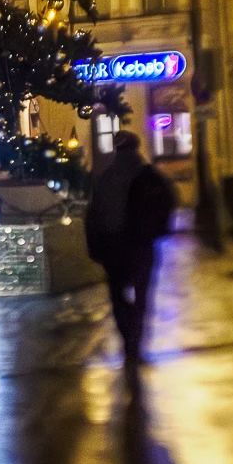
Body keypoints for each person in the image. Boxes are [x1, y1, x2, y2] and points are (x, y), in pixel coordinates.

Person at [84, 130, 176, 385]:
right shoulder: (149, 175)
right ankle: (136, 343)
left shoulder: (105, 177)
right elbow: (169, 201)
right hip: (141, 246)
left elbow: (92, 215)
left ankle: (128, 342)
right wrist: (158, 231)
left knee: (118, 296)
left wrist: (95, 249)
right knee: (142, 297)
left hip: (113, 248)